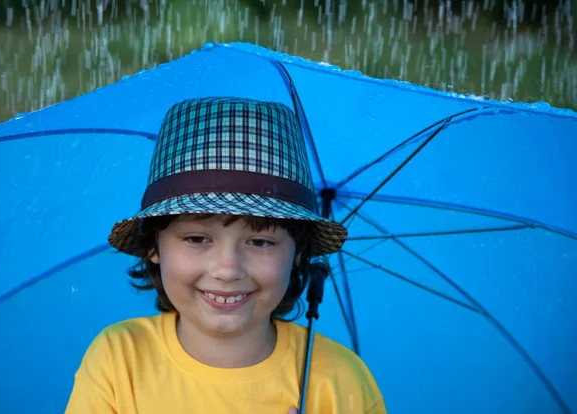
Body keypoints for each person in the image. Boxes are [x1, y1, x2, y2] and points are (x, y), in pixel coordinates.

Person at [65, 96, 387, 413]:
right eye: (196, 238)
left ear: (298, 253)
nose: (228, 269)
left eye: (260, 242)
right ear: (153, 246)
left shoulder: (340, 382)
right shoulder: (120, 361)